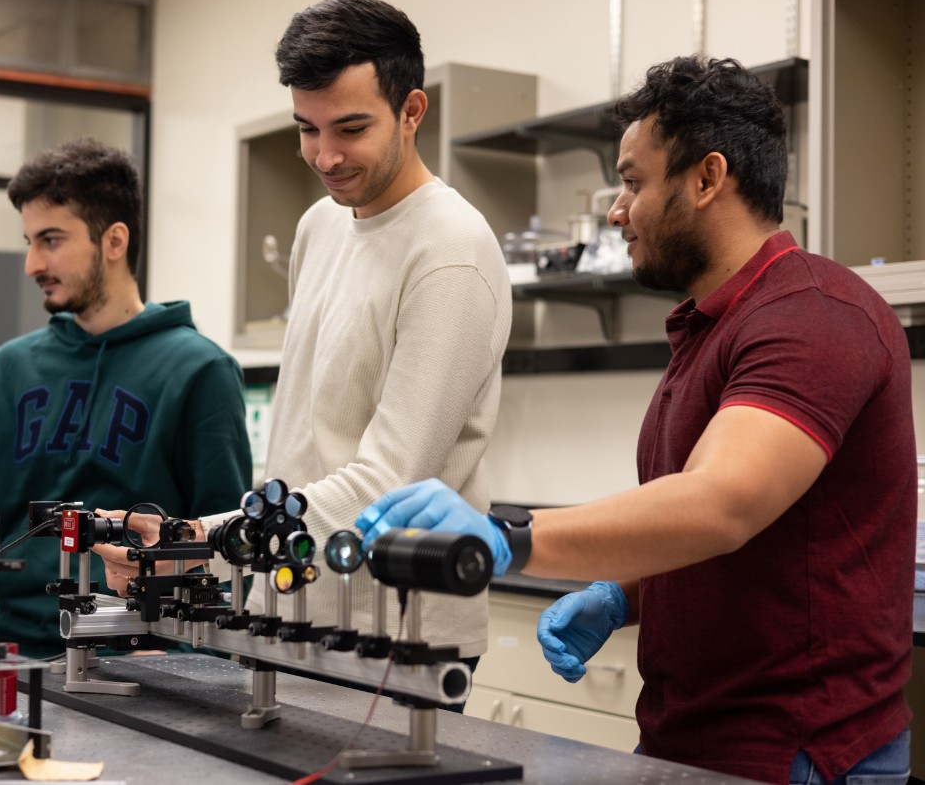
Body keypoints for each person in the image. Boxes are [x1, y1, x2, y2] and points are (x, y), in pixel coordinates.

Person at [356, 56, 915, 784]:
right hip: (696, 735)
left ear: (708, 178)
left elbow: (722, 503)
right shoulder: (716, 326)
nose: (618, 211)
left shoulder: (813, 315)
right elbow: (752, 543)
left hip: (796, 751)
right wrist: (626, 594)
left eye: (632, 182)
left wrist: (507, 535)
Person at [96, 0, 511, 675]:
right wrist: (193, 534)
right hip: (289, 602)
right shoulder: (319, 227)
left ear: (412, 111)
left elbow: (388, 482)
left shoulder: (451, 249)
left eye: (349, 128)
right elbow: (309, 453)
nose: (325, 154)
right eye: (307, 128)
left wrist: (208, 540)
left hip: (392, 631)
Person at [0, 137, 252, 656]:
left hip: (143, 662)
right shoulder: (9, 368)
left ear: (114, 241)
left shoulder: (200, 370)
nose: (32, 264)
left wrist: (191, 660)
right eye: (29, 241)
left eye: (51, 240)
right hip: (13, 653)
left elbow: (225, 541)